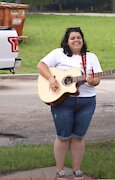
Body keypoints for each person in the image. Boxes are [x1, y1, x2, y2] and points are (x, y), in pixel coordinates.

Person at [37, 27, 102, 179]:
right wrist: (51, 79)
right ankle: (60, 171)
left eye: (79, 37)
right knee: (63, 136)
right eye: (72, 38)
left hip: (87, 101)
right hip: (63, 101)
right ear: (67, 41)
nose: (76, 40)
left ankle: (76, 170)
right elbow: (41, 66)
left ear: (83, 40)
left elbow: (97, 79)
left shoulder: (91, 57)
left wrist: (93, 81)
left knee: (78, 136)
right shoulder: (58, 53)